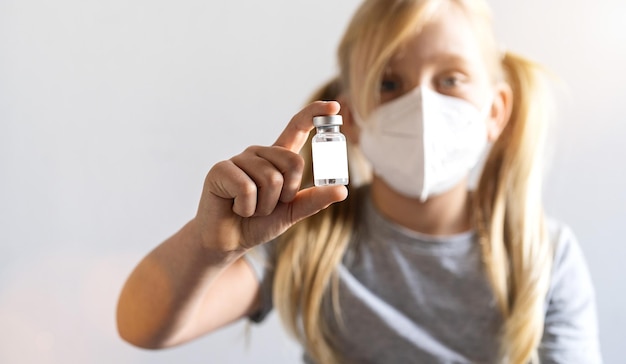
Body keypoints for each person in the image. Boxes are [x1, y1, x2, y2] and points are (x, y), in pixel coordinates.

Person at [116, 0, 602, 363]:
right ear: (350, 118)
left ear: (495, 111)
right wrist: (211, 243)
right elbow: (142, 325)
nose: (422, 107)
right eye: (388, 84)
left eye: (451, 79)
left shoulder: (542, 255)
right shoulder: (310, 238)